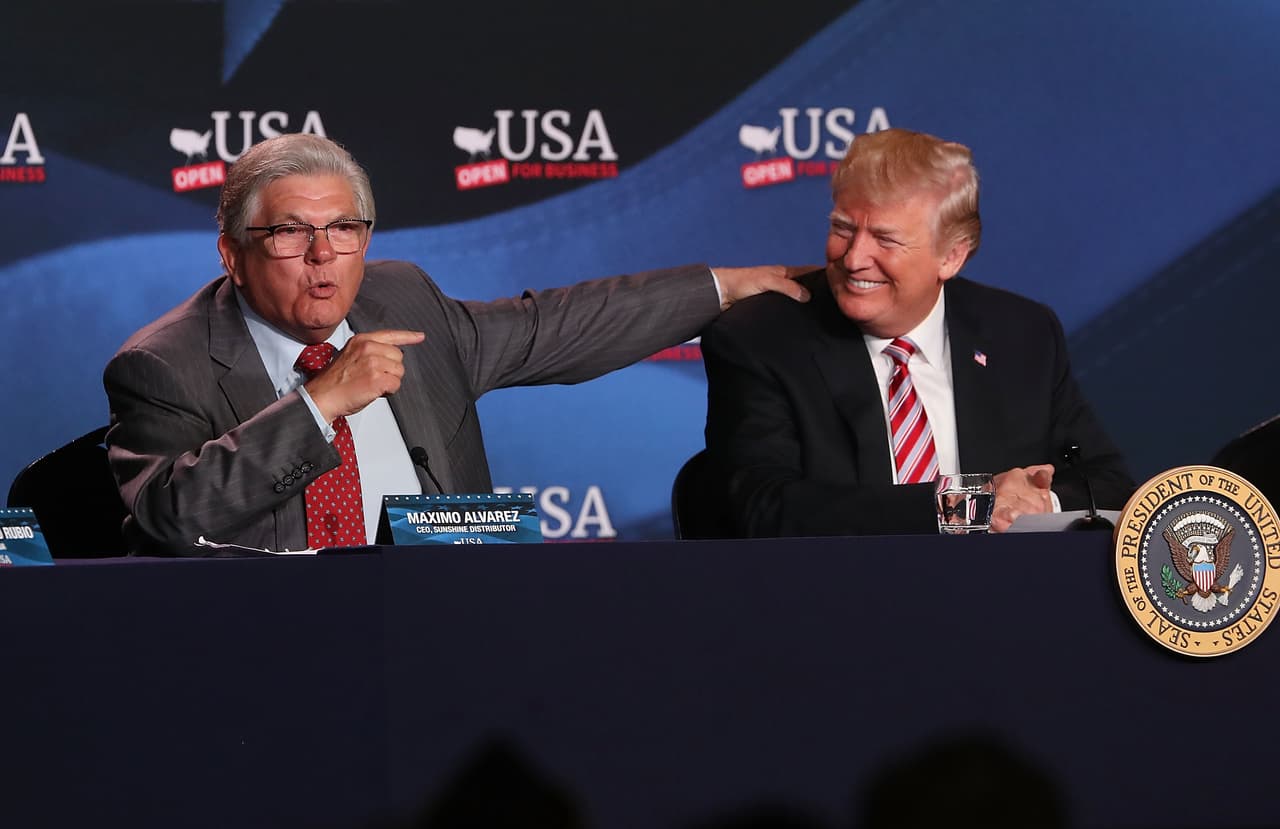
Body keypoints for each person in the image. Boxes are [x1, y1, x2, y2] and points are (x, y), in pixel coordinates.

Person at [105, 133, 808, 555]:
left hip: (440, 627)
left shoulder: (406, 302)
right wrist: (319, 404)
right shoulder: (164, 365)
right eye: (290, 233)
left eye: (345, 230)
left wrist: (719, 288)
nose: (323, 256)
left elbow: (558, 325)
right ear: (232, 256)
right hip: (263, 648)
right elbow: (170, 515)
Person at [701, 127, 1133, 537]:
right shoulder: (762, 338)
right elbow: (764, 509)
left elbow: (1109, 485)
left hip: (1003, 599)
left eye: (885, 240)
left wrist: (1041, 504)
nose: (854, 259)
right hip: (834, 600)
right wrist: (964, 505)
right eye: (843, 229)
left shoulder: (1022, 333)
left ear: (951, 257)